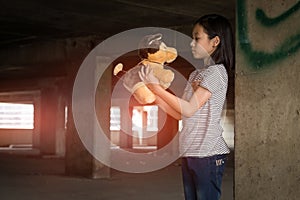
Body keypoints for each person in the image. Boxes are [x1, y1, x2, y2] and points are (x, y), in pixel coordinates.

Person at [139, 14, 234, 200]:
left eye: (197, 38)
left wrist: (157, 88)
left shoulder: (217, 72)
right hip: (191, 151)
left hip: (208, 154)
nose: (191, 43)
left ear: (215, 41)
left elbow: (190, 108)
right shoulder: (195, 75)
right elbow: (181, 113)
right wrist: (154, 95)